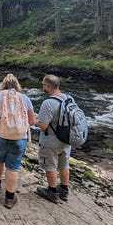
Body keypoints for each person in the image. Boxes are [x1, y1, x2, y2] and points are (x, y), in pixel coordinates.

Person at [0, 73, 36, 209]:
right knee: (13, 166)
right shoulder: (25, 98)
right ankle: (9, 198)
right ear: (17, 86)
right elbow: (32, 121)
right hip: (18, 137)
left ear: (3, 85)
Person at [35, 74, 71, 203]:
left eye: (43, 84)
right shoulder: (68, 98)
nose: (42, 86)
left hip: (51, 141)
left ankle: (52, 191)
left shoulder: (48, 103)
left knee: (50, 165)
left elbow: (43, 125)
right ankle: (64, 190)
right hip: (67, 139)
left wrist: (34, 121)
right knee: (64, 164)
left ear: (48, 86)